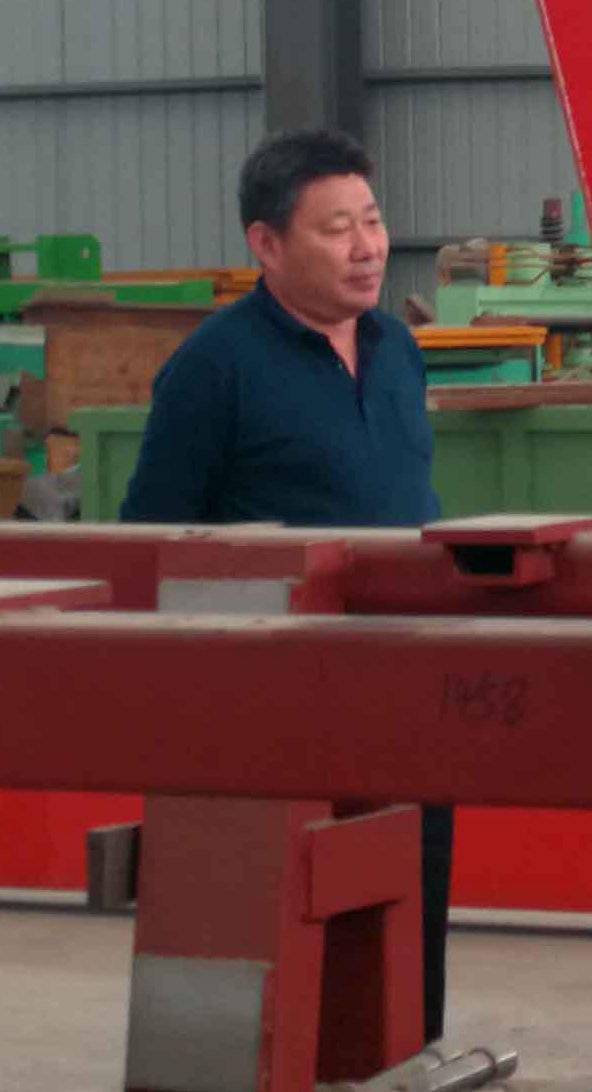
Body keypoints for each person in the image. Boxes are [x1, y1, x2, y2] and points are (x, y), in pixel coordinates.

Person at [120, 130, 458, 1044]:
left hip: (402, 679)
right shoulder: (212, 370)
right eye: (336, 229)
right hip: (276, 700)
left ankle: (404, 1062)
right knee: (293, 912)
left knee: (410, 893)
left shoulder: (396, 349)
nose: (367, 247)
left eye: (373, 222)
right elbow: (151, 537)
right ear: (266, 245)